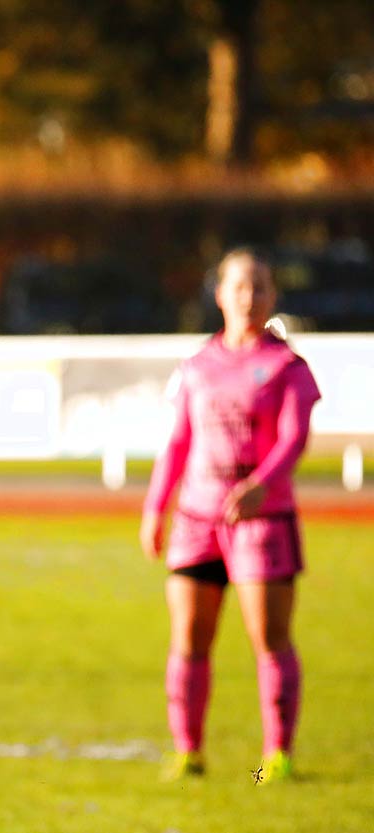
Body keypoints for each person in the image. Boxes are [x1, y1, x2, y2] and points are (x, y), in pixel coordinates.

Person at [141, 248, 320, 783]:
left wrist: (262, 486)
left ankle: (276, 757)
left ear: (273, 297)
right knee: (189, 639)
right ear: (219, 294)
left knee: (270, 639)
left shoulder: (287, 367)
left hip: (263, 522)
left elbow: (294, 437)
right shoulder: (197, 367)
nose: (250, 297)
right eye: (240, 286)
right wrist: (156, 506)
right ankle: (188, 752)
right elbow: (178, 442)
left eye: (260, 287)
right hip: (196, 519)